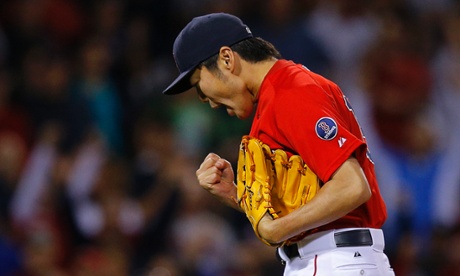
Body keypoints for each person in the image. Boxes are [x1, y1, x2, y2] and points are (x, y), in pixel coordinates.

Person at [162, 12, 394, 275]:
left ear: (227, 59)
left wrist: (275, 230)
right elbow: (305, 206)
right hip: (328, 257)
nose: (206, 100)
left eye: (198, 85)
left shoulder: (291, 91)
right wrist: (237, 195)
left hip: (335, 259)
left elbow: (352, 187)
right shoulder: (278, 94)